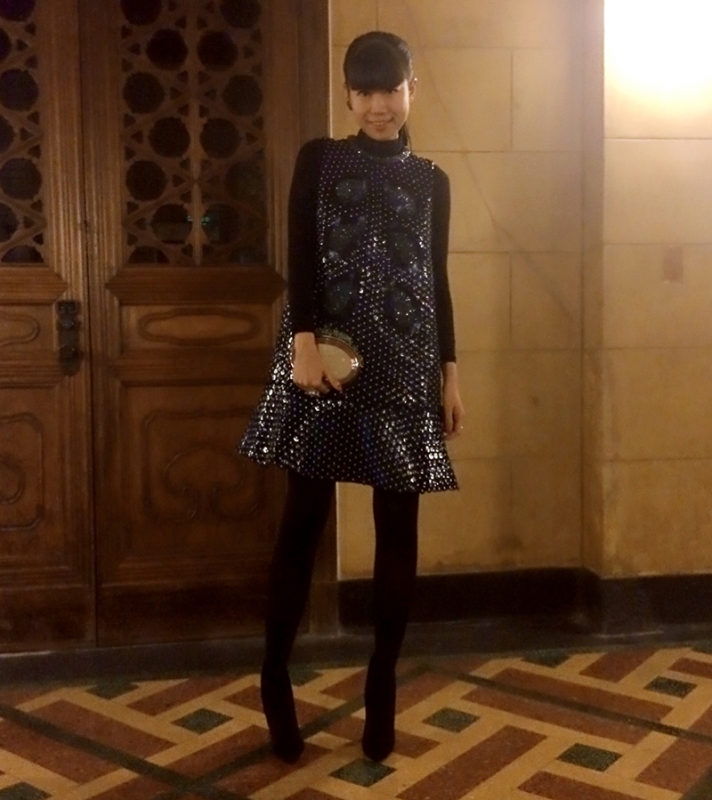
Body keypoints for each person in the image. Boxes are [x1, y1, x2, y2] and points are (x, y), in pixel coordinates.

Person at [239, 30, 464, 763]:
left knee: (398, 528)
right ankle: (275, 678)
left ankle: (382, 685)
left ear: (411, 90)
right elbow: (300, 255)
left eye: (389, 89)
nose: (377, 105)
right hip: (325, 361)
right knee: (302, 520)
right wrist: (302, 342)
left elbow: (435, 281)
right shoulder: (320, 158)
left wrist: (450, 373)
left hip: (406, 365)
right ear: (347, 94)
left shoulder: (432, 180)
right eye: (364, 91)